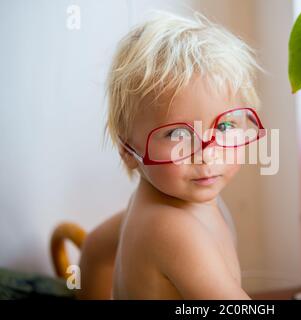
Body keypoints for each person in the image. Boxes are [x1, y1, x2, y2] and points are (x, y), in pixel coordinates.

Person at [78, 10, 265, 299]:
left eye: (225, 125)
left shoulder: (158, 203)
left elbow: (94, 249)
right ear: (128, 151)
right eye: (178, 134)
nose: (208, 153)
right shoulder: (174, 232)